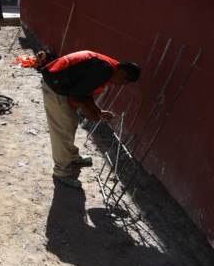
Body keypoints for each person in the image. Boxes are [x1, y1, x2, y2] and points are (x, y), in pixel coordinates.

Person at [39, 51, 141, 188]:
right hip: (55, 87)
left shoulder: (108, 67)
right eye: (124, 82)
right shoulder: (105, 70)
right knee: (63, 129)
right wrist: (91, 113)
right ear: (122, 74)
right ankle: (61, 172)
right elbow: (77, 94)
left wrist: (97, 111)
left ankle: (71, 158)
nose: (120, 85)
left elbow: (84, 91)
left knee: (70, 124)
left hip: (61, 84)